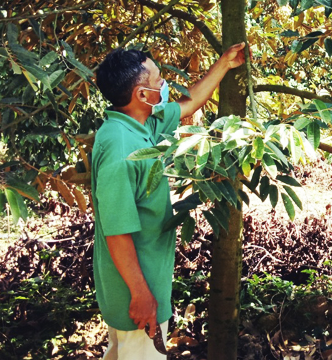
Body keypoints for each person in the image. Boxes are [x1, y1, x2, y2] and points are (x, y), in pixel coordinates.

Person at [92, 42, 247, 359]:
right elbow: (117, 230)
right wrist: (140, 294)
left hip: (146, 277)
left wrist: (224, 64)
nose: (163, 85)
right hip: (134, 289)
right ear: (141, 95)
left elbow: (187, 105)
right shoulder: (120, 147)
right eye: (157, 80)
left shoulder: (143, 122)